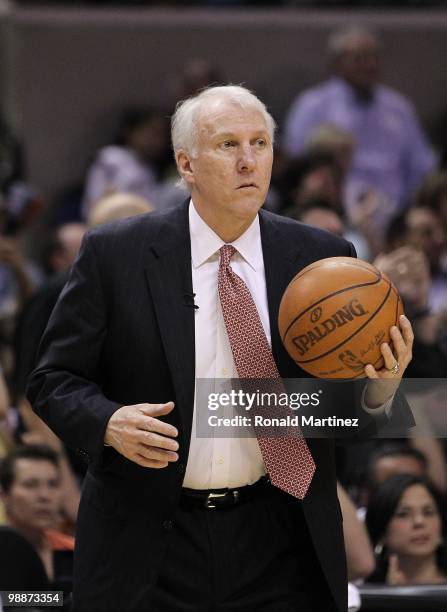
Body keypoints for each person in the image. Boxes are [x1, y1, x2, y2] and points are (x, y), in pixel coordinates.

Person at [27, 85, 413, 612]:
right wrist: (107, 423)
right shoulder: (116, 252)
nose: (249, 160)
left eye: (260, 143)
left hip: (279, 532)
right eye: (229, 145)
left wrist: (382, 391)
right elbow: (53, 379)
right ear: (187, 163)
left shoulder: (324, 260)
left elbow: (345, 417)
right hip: (151, 537)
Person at [283, 25, 435, 236]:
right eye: (360, 58)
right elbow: (296, 167)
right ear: (337, 63)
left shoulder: (399, 108)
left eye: (374, 57)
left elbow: (422, 169)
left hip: (396, 220)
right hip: (335, 219)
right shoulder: (312, 106)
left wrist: (406, 212)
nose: (370, 65)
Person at [0, 444, 74, 593]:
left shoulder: (74, 551)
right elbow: (10, 602)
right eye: (30, 485)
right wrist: (61, 602)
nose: (44, 496)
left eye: (53, 484)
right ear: (4, 494)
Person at [365, 474, 447, 585]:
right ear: (382, 530)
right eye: (403, 514)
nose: (419, 522)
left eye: (428, 512)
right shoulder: (362, 593)